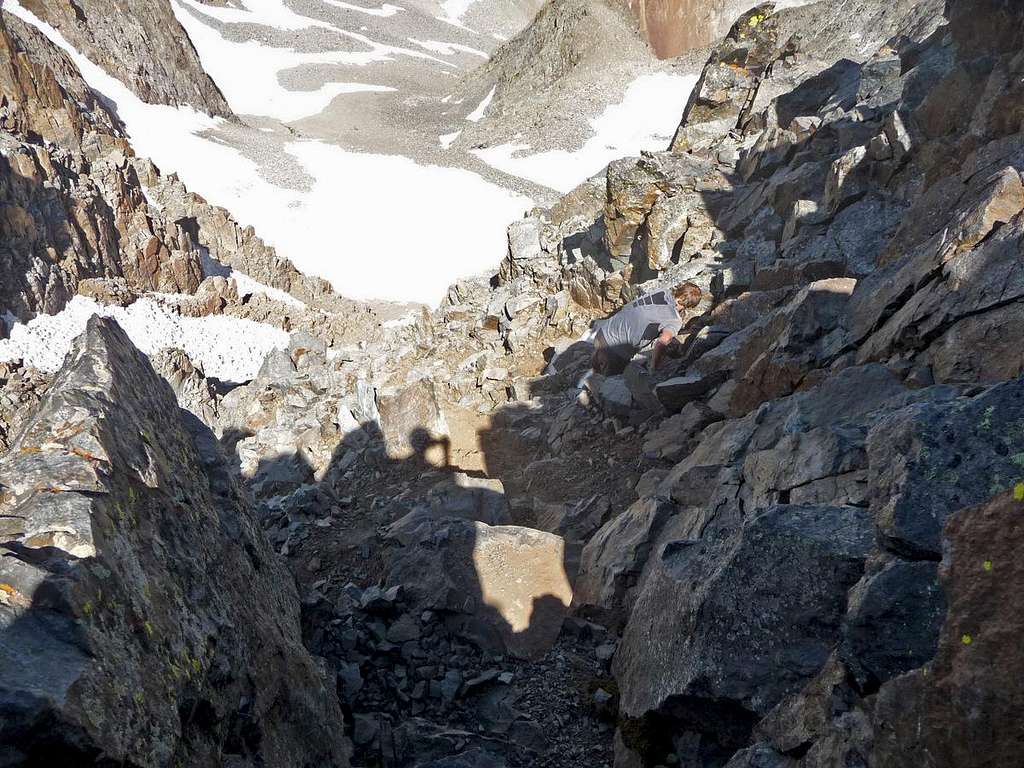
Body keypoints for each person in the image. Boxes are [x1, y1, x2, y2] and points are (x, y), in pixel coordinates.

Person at [591, 282, 701, 375]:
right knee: (606, 384)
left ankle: (589, 378)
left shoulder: (661, 292)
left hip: (604, 330)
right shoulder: (674, 320)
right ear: (690, 306)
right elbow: (661, 343)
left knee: (595, 367)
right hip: (617, 352)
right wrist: (653, 367)